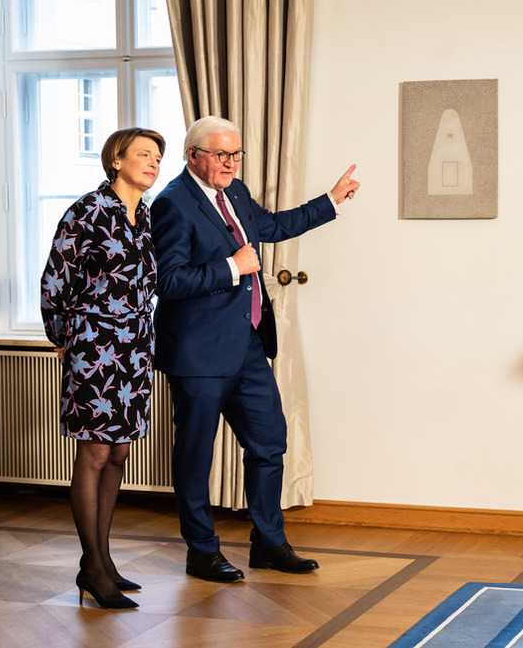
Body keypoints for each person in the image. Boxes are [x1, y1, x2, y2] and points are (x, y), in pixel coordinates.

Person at [151, 115, 359, 582]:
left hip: (247, 345)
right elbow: (168, 280)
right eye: (221, 155)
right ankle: (201, 552)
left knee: (270, 444)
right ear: (194, 156)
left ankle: (267, 543)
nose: (230, 163)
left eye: (236, 154)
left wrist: (330, 200)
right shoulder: (172, 204)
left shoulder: (236, 194)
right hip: (199, 354)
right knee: (195, 456)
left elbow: (273, 225)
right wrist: (231, 266)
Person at [41, 127, 166, 609]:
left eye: (157, 156)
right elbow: (56, 280)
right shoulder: (87, 211)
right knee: (94, 453)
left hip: (135, 348)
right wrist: (65, 339)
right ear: (116, 160)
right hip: (94, 346)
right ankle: (91, 567)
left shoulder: (145, 216)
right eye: (143, 154)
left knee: (118, 454)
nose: (153, 162)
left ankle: (104, 560)